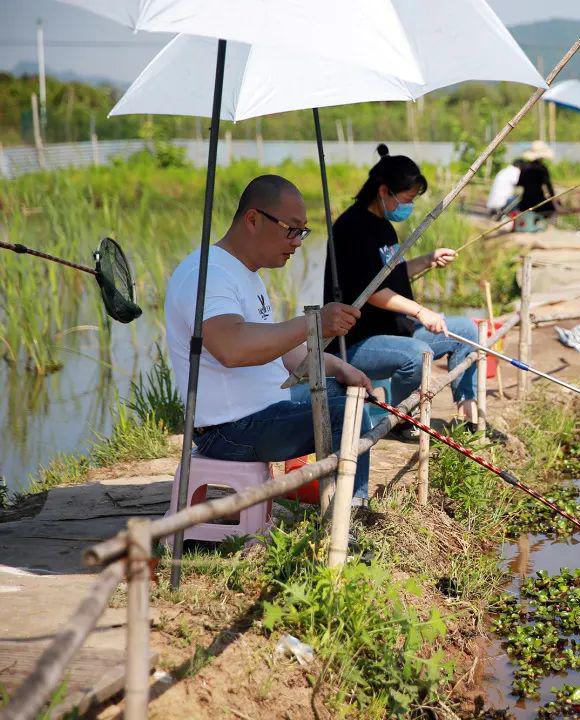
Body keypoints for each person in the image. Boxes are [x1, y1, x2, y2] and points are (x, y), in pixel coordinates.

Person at [165, 174, 376, 502]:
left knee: (349, 393)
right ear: (253, 219)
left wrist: (337, 367)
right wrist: (315, 322)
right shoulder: (207, 274)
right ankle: (349, 514)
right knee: (347, 414)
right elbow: (231, 348)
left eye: (302, 232)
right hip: (231, 428)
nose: (297, 242)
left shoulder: (246, 274)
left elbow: (280, 352)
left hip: (266, 410)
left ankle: (335, 496)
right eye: (291, 229)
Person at [326, 144, 481, 441]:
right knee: (416, 354)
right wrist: (421, 311)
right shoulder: (351, 228)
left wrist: (427, 260)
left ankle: (467, 412)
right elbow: (370, 291)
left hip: (396, 332)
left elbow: (390, 273)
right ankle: (399, 418)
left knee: (465, 330)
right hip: (357, 341)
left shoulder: (383, 227)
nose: (408, 206)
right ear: (384, 191)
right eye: (407, 199)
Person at [516, 140, 557, 218]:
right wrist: (553, 199)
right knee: (551, 209)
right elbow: (549, 187)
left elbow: (519, 183)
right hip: (538, 201)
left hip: (525, 202)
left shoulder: (524, 168)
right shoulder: (542, 169)